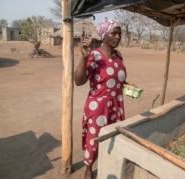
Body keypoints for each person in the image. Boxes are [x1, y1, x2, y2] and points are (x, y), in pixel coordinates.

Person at [74, 18, 132, 179]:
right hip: (98, 107)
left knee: (113, 135)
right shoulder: (95, 55)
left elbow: (117, 79)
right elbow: (79, 81)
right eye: (114, 33)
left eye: (119, 33)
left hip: (116, 105)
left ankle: (106, 161)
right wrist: (84, 58)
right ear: (104, 35)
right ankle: (88, 168)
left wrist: (128, 86)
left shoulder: (119, 55)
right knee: (95, 138)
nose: (118, 37)